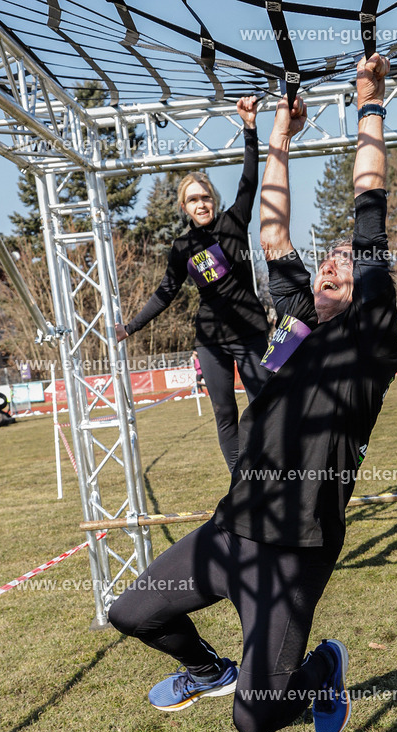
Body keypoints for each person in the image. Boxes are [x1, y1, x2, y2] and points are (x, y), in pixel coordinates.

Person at [108, 52, 397, 732]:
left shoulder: (371, 342)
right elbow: (271, 231)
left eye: (345, 259)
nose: (334, 260)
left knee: (256, 718)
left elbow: (369, 206)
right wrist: (279, 134)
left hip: (296, 549)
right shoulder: (299, 320)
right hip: (232, 528)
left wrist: (370, 103)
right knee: (132, 614)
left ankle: (319, 667)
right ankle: (208, 668)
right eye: (327, 256)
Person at [115, 98, 270, 471]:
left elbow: (249, 179)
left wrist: (249, 128)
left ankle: (271, 471)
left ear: (213, 199)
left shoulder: (234, 222)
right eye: (192, 200)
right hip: (210, 340)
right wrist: (130, 327)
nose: (200, 203)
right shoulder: (182, 247)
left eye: (205, 197)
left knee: (265, 404)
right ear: (184, 207)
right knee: (223, 413)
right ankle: (240, 483)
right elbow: (166, 292)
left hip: (250, 332)